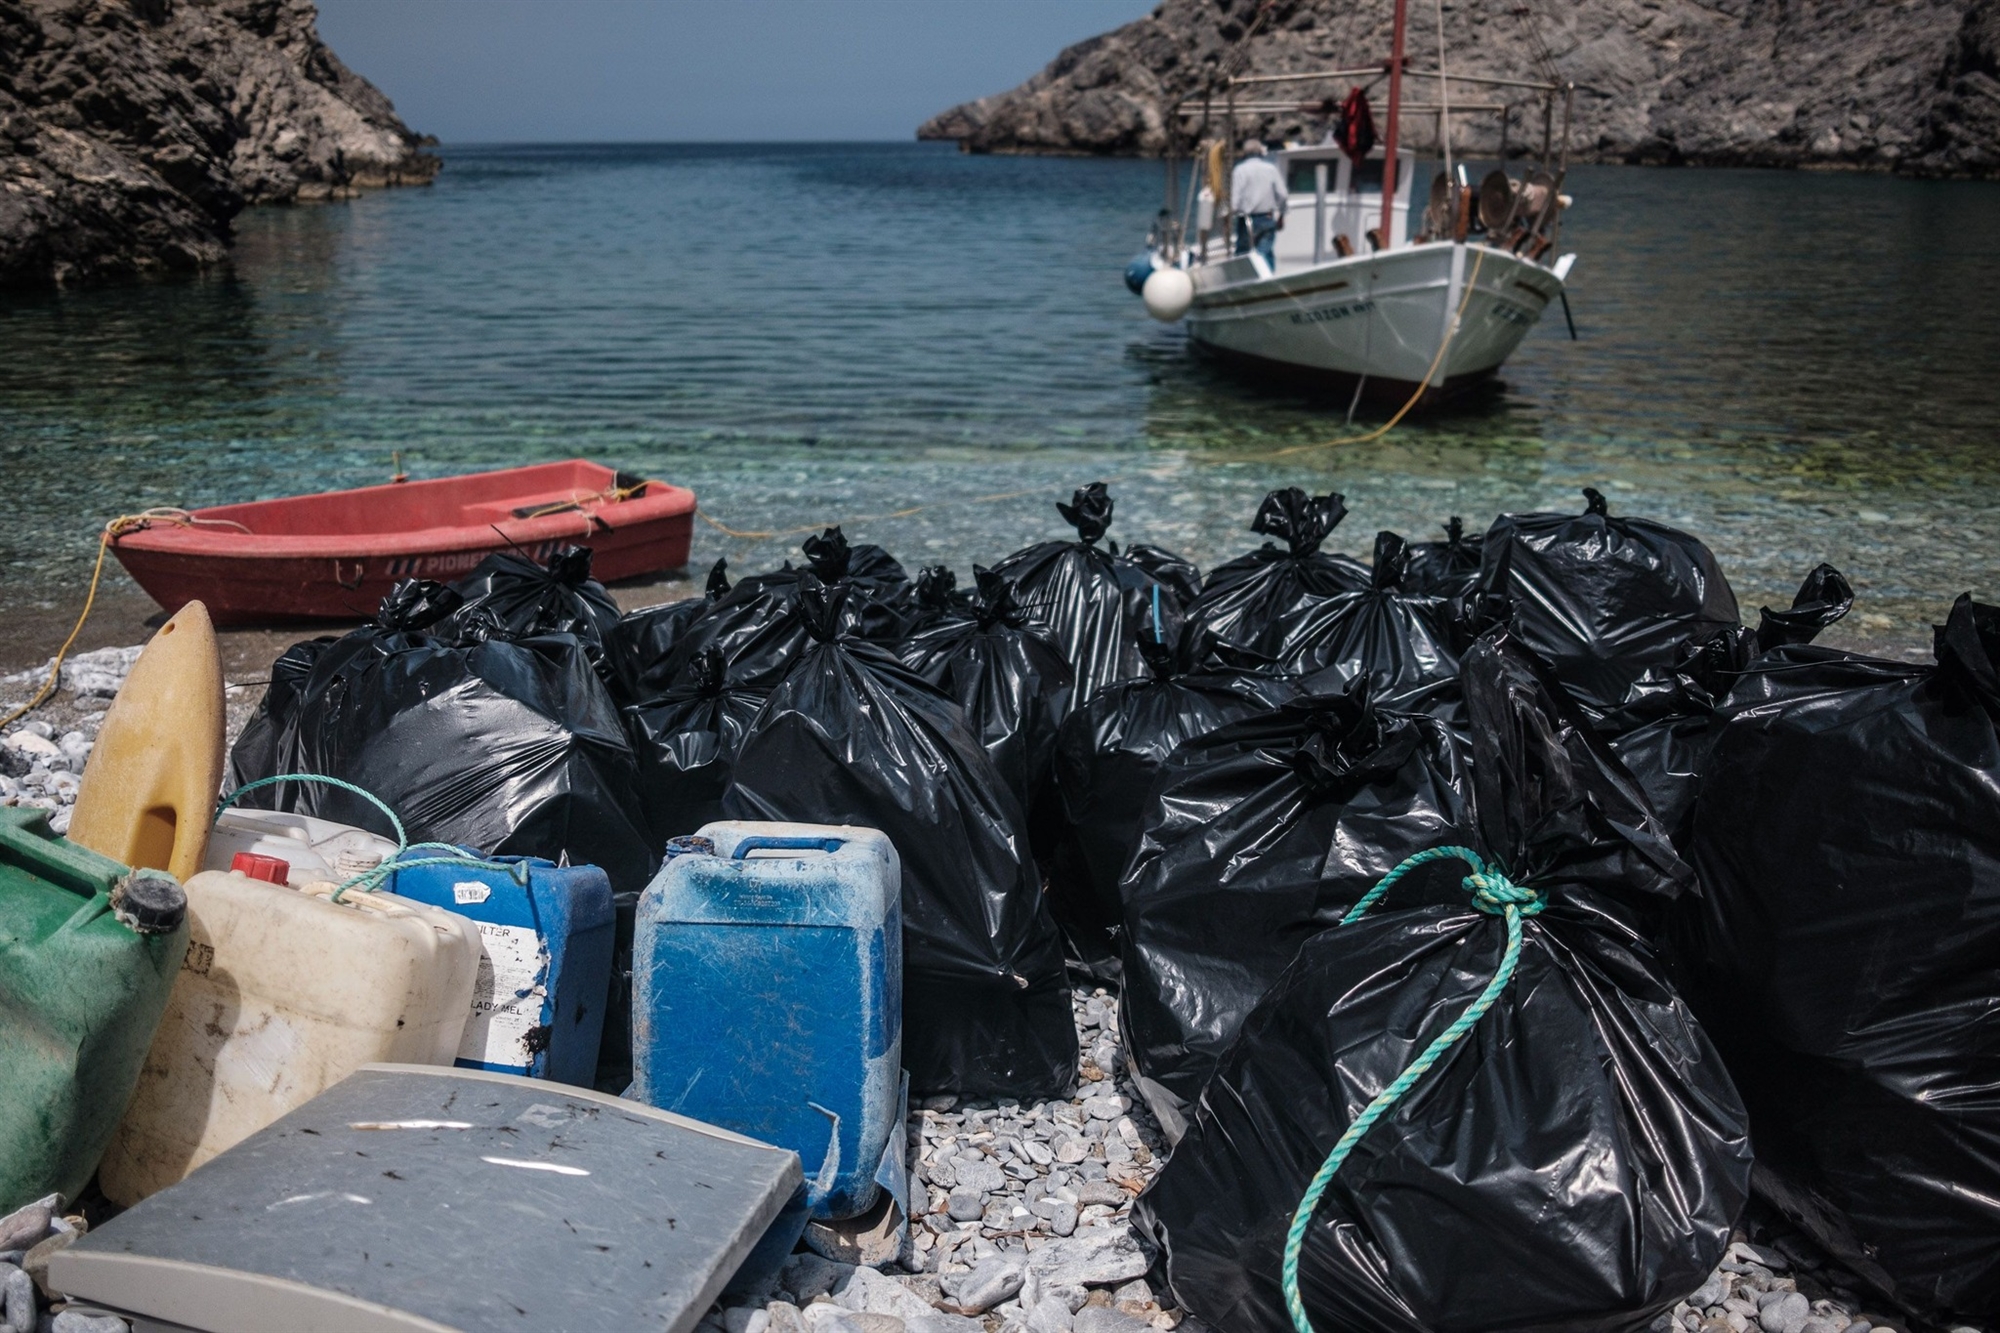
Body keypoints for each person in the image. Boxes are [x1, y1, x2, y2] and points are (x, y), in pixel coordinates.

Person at [1230, 139, 1286, 268]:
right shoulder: (1271, 169)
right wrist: (1282, 215)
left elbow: (1234, 201)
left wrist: (1230, 216)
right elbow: (1282, 195)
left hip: (1246, 220)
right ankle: (1268, 278)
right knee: (1265, 254)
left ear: (1244, 153)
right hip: (1267, 217)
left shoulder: (1239, 170)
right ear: (1260, 152)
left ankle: (1245, 277)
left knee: (1243, 255)